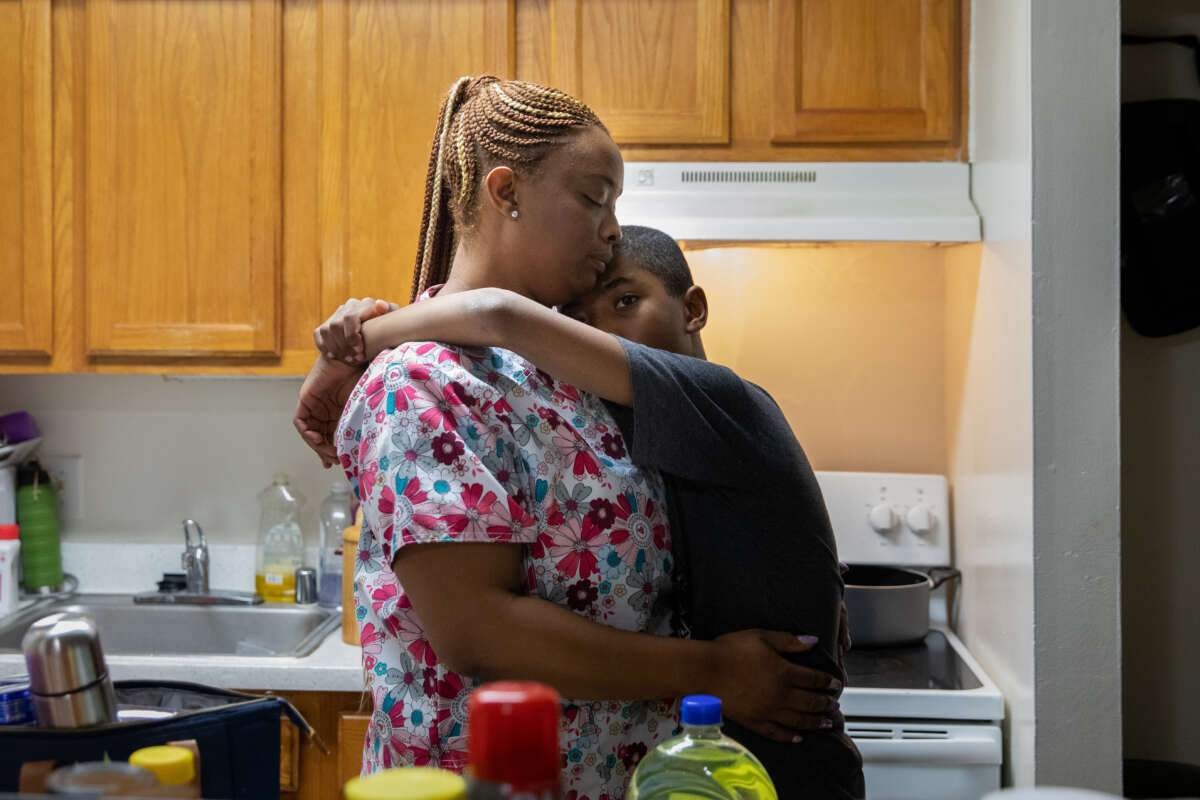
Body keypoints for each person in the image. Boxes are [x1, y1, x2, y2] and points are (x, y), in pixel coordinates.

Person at [293, 77, 841, 799]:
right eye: (593, 197)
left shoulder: (567, 372)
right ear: (505, 191)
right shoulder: (418, 383)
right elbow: (478, 632)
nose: (613, 230)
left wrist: (354, 338)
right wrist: (712, 671)